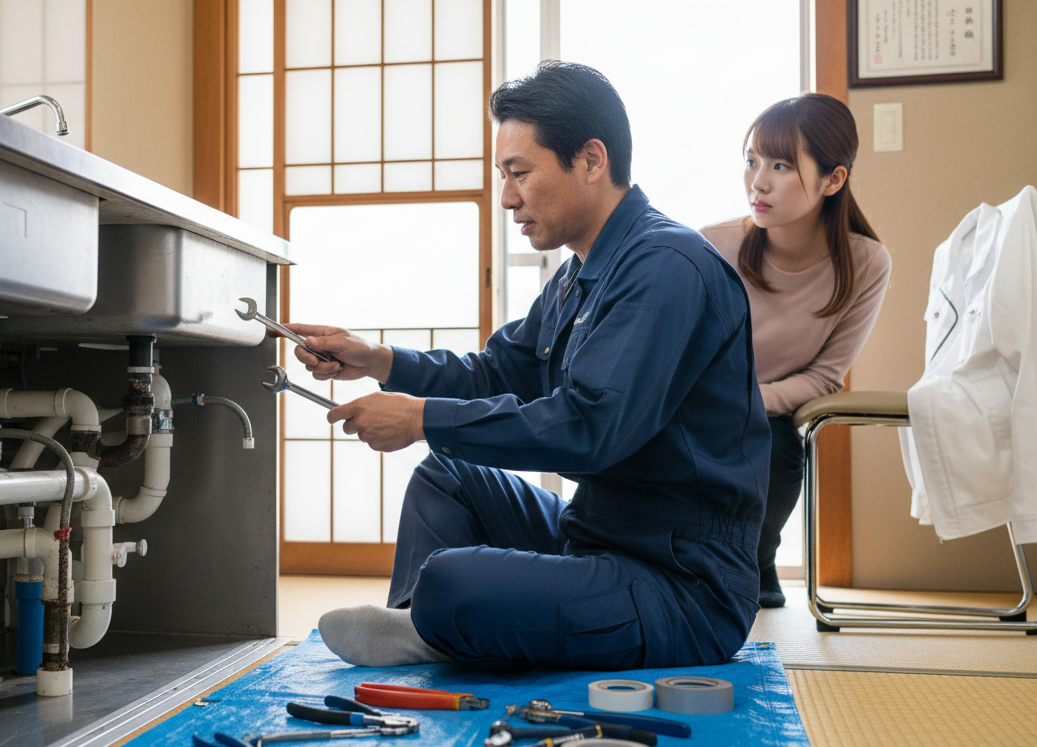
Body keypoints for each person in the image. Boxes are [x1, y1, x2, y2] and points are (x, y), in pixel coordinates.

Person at [285, 61, 770, 670]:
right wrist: (378, 360)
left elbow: (590, 429)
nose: (508, 197)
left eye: (520, 173)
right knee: (447, 477)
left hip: (680, 586)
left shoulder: (668, 268)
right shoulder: (578, 275)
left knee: (454, 582)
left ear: (591, 161)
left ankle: (437, 620)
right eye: (502, 176)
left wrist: (421, 419)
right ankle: (421, 629)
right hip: (594, 537)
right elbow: (495, 373)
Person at [701, 94, 891, 608]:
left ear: (833, 180)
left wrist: (751, 400)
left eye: (781, 165)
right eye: (752, 160)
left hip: (768, 418)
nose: (757, 181)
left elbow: (828, 376)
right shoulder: (711, 247)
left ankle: (756, 558)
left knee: (780, 449)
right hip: (692, 408)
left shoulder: (866, 263)